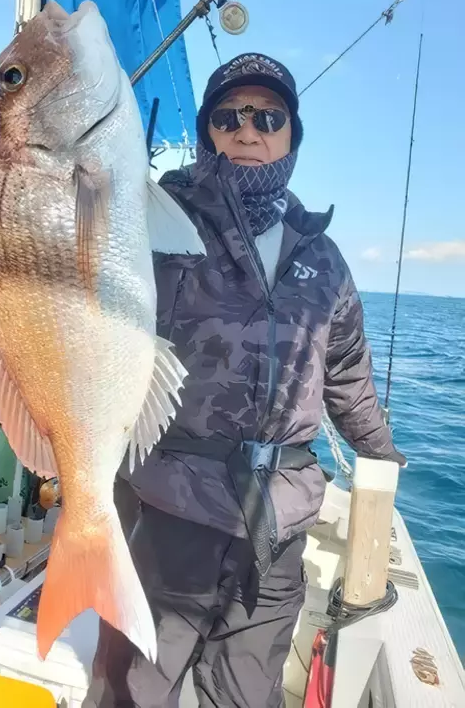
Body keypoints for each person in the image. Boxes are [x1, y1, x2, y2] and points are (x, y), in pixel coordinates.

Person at [83, 52, 406, 708]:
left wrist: (382, 455)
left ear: (291, 135)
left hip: (276, 527)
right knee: (129, 693)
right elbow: (80, 279)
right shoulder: (153, 219)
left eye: (268, 117)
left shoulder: (322, 257)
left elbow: (346, 373)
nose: (248, 131)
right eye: (228, 117)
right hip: (166, 509)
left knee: (248, 697)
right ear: (207, 133)